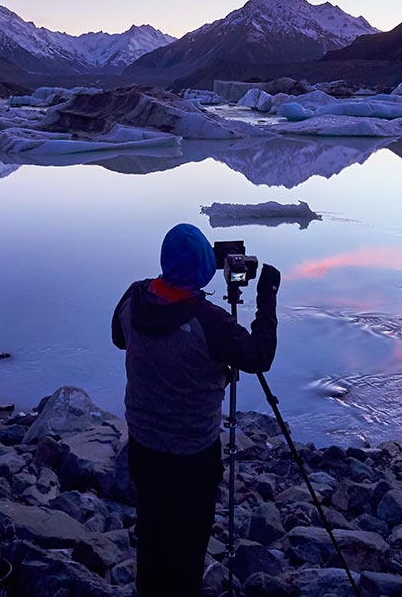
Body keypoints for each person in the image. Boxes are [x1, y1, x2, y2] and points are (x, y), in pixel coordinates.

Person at [111, 222, 280, 597]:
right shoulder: (209, 320)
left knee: (152, 533)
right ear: (205, 267)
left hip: (143, 445)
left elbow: (119, 337)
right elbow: (259, 356)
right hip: (193, 456)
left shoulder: (133, 300)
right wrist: (266, 295)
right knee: (187, 548)